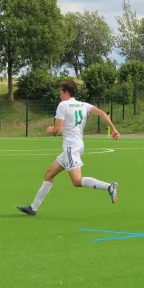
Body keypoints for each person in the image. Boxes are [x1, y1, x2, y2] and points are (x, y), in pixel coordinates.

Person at [16, 80, 120, 216]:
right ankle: (33, 208)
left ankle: (109, 186)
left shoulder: (63, 105)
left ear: (66, 92)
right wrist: (113, 129)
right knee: (49, 174)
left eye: (60, 92)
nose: (59, 95)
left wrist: (49, 130)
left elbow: (57, 129)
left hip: (71, 147)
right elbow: (102, 113)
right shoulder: (83, 105)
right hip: (76, 145)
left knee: (77, 181)